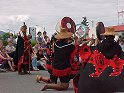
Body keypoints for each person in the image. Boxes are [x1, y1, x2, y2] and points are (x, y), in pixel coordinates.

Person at [73, 27, 124, 93]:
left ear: (105, 36)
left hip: (96, 77)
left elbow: (85, 54)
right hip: (113, 79)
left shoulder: (98, 46)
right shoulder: (118, 47)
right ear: (114, 36)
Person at [41, 26, 75, 91]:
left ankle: (46, 81)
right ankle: (47, 86)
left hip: (55, 65)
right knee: (64, 86)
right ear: (66, 37)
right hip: (63, 67)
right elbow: (74, 47)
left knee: (56, 81)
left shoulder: (56, 44)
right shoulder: (69, 46)